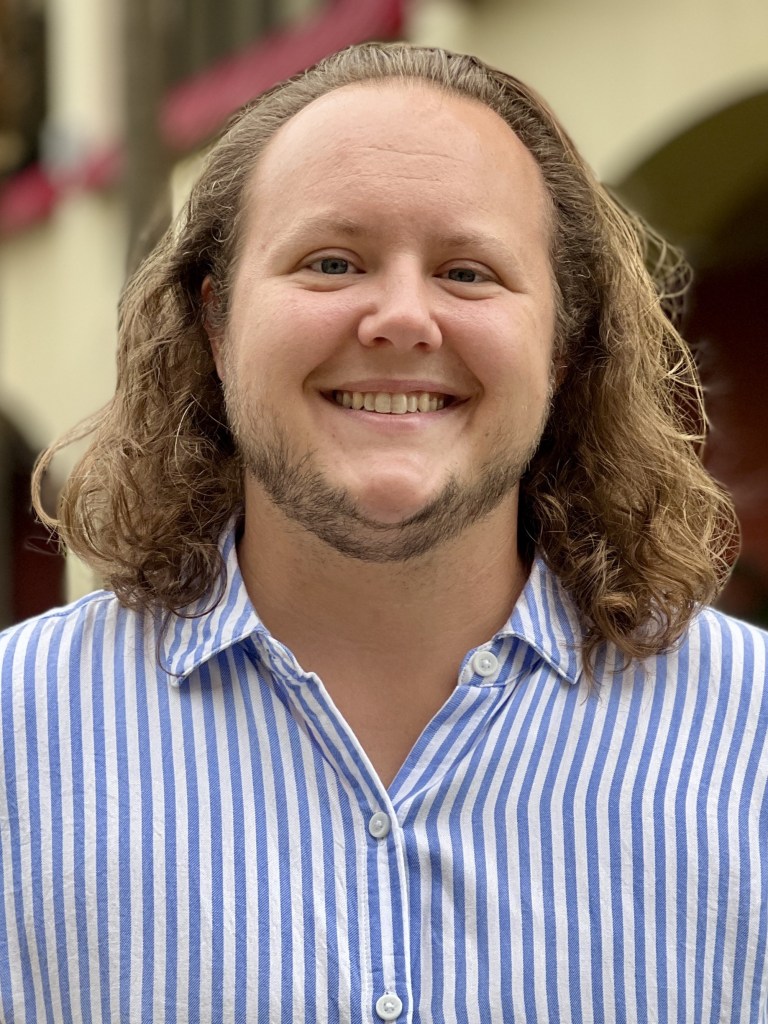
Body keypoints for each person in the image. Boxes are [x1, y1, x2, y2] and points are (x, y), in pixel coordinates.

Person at [1, 41, 766, 1024]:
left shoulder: (753, 749)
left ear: (566, 343)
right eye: (332, 261)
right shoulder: (22, 749)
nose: (403, 317)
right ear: (216, 322)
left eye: (468, 271)